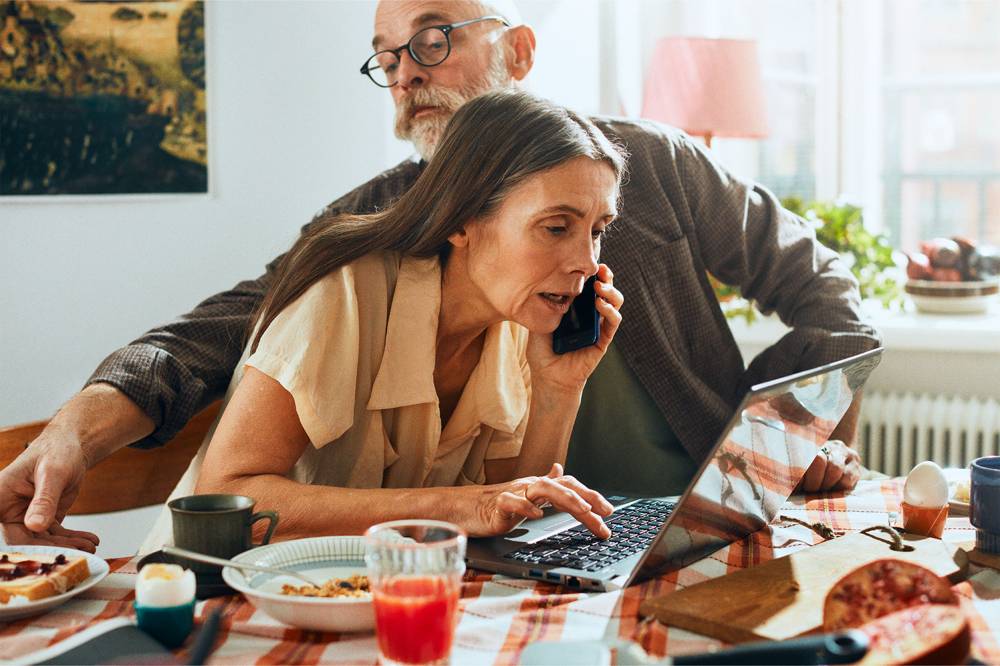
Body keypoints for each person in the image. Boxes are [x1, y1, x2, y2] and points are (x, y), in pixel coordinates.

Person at [0, 0, 879, 552]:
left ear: (519, 52)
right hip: (535, 540)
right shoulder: (382, 229)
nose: (407, 75)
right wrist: (79, 427)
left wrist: (776, 446)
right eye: (388, 58)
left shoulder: (655, 167)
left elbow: (830, 300)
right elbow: (212, 337)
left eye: (432, 40)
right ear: (460, 229)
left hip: (679, 518)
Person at [139, 90, 625, 547]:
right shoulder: (346, 292)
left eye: (598, 230)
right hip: (212, 594)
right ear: (462, 220)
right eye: (556, 227)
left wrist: (558, 391)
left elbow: (509, 518)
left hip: (364, 597)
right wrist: (452, 508)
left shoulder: (520, 321)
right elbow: (228, 497)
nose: (585, 261)